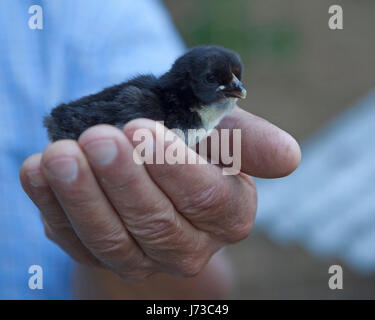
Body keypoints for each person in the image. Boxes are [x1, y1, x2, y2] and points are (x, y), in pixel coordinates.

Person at [1, 0, 300, 299]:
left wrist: (159, 248)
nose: (235, 86)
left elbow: (200, 291)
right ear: (188, 85)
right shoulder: (157, 110)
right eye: (214, 80)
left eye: (235, 78)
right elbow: (77, 118)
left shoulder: (98, 12)